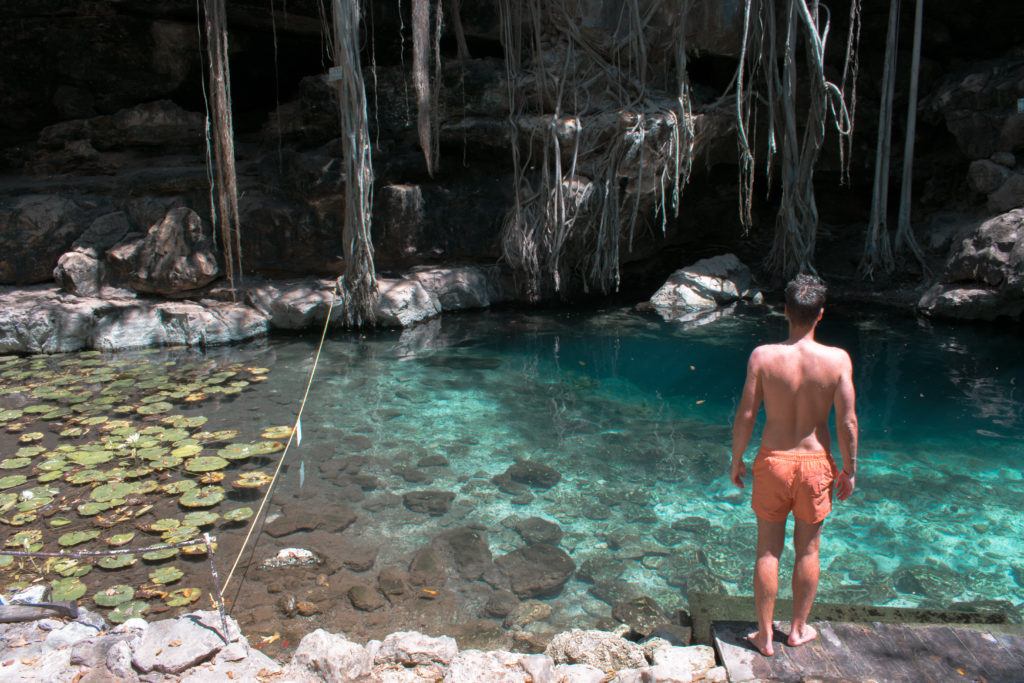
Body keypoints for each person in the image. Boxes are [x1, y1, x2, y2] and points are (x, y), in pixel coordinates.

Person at [729, 273, 858, 656]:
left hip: (773, 463)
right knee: (808, 551)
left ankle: (765, 635)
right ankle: (798, 630)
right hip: (817, 463)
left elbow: (746, 416)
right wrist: (849, 469)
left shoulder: (764, 357)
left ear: (785, 311)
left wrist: (736, 459)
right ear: (820, 314)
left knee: (768, 551)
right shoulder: (837, 360)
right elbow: (847, 422)